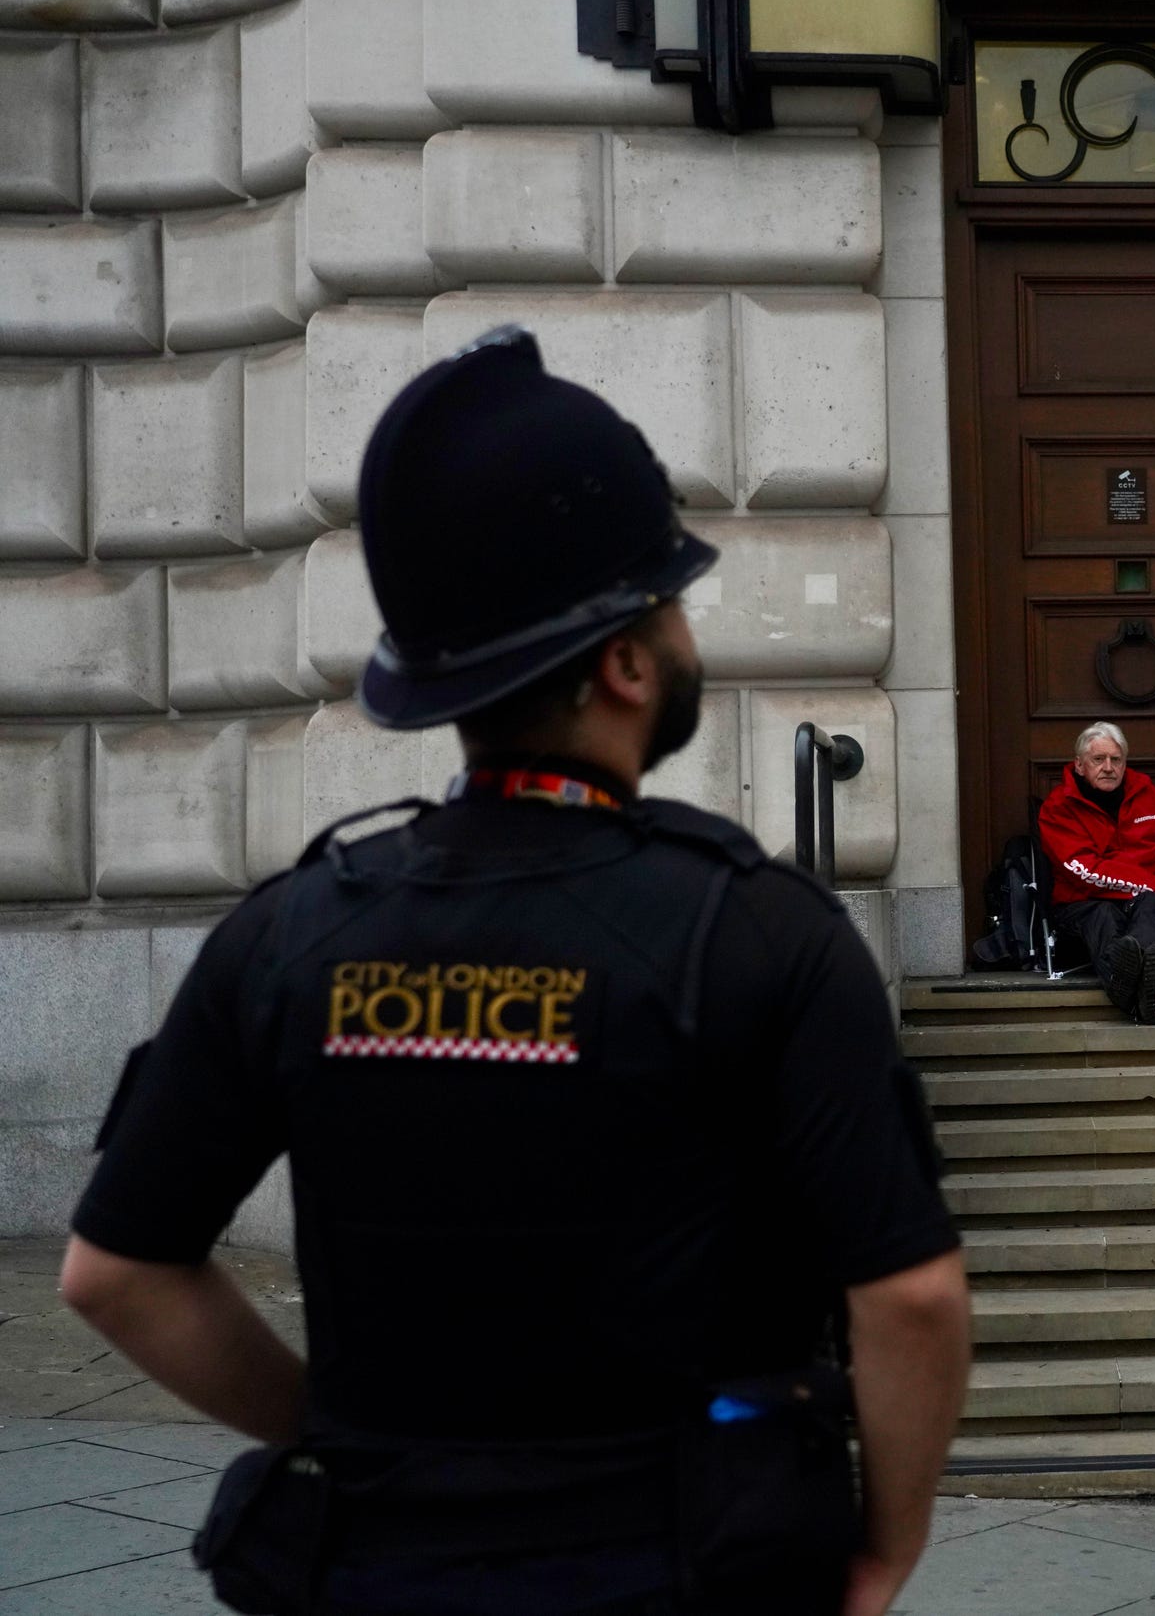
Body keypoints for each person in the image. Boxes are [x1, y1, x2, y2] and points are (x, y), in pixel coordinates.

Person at [57, 327, 970, 1616]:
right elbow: (913, 1296)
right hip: (698, 1567)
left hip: (378, 1571)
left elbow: (114, 1271)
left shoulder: (289, 934)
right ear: (626, 663)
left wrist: (332, 1434)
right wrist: (880, 1552)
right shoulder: (765, 930)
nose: (683, 630)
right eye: (673, 602)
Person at [1037, 721, 1155, 1025]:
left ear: (1124, 763)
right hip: (1084, 902)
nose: (1108, 767)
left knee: (1153, 905)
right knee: (1105, 914)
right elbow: (1086, 871)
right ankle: (1148, 995)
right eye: (1098, 759)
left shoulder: (1144, 792)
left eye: (1116, 760)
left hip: (1144, 902)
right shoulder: (1058, 807)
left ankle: (1130, 984)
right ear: (1079, 765)